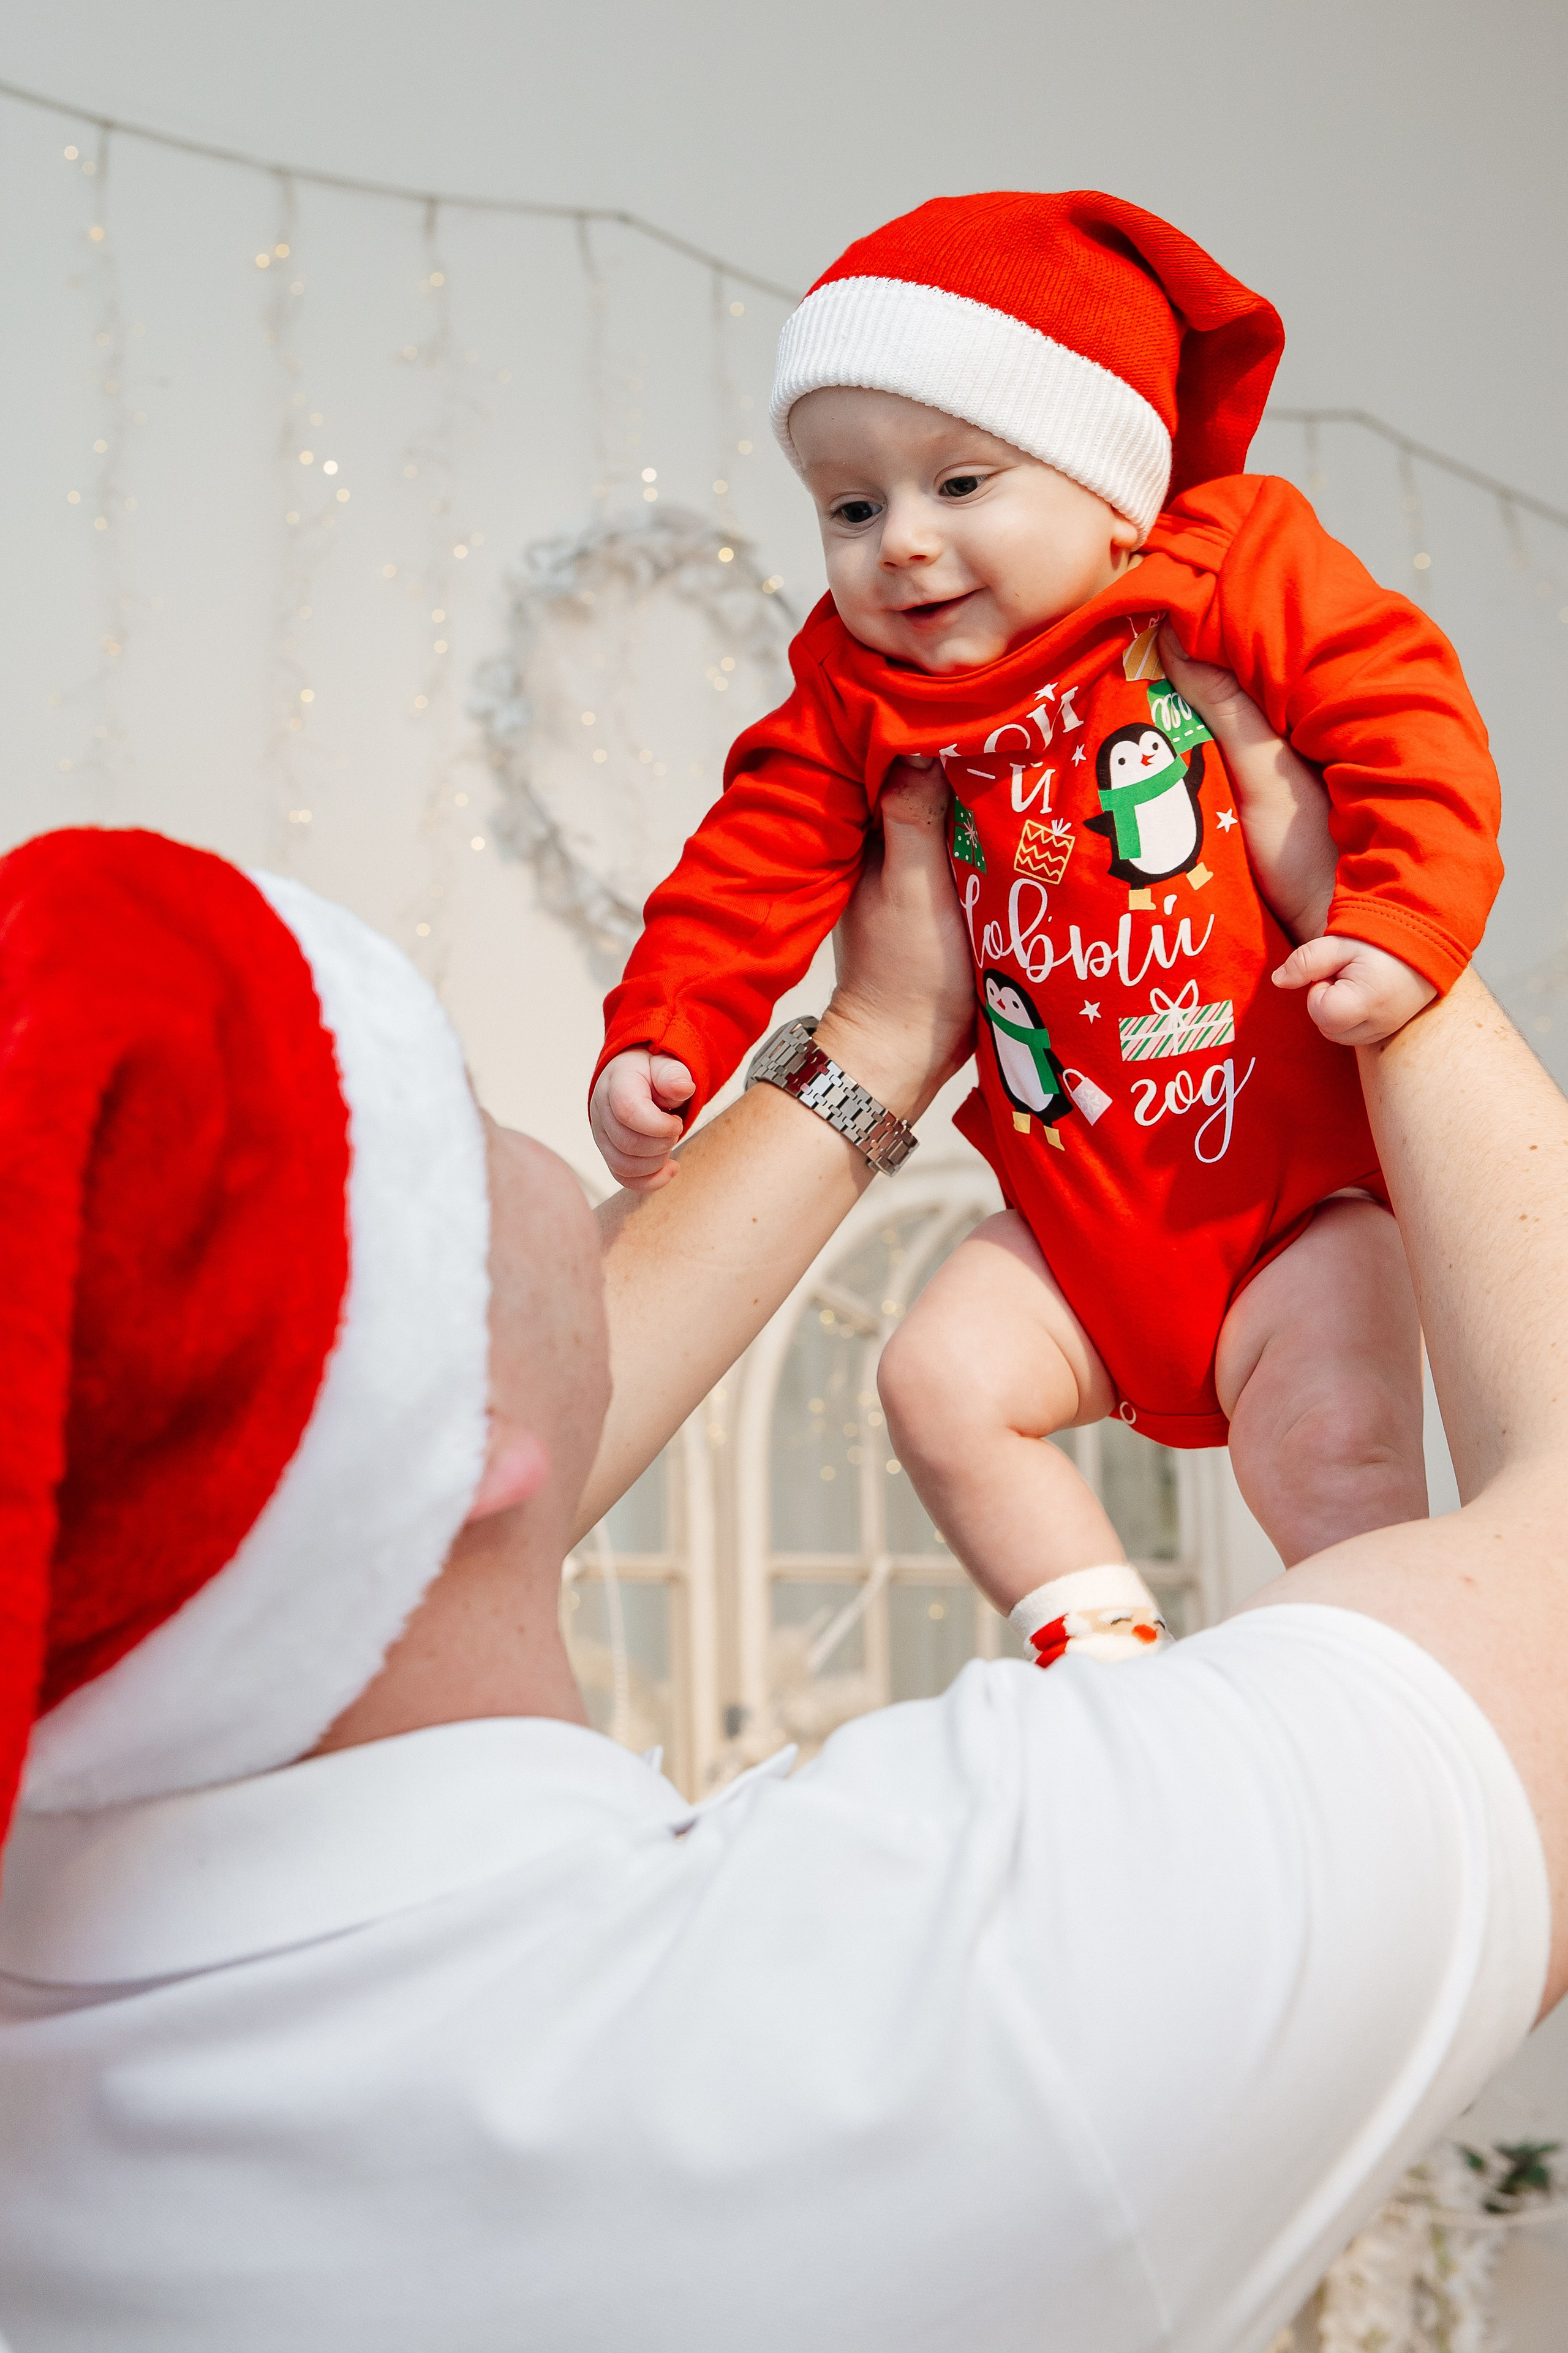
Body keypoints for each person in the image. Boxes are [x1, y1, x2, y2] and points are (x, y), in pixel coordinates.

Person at [0, 671, 1562, 2353]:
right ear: (463, 1431)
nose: (543, 1164)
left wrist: (879, 1042)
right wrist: (1374, 922)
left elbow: (356, 1509)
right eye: (459, 1118)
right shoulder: (925, 2004)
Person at [588, 189, 1501, 1660]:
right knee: (934, 1386)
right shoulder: (855, 686)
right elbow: (748, 852)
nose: (900, 545)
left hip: (1288, 1205)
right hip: (1071, 1228)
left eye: (960, 484)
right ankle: (1107, 1677)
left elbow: (1405, 715)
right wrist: (664, 1032)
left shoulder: (1220, 566)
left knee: (1333, 1457)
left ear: (1111, 487)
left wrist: (1398, 917)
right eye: (851, 506)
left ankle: (1389, 1707)